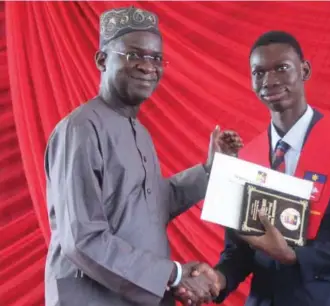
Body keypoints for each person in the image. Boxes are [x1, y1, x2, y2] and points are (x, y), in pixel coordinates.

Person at [179, 30, 330, 305]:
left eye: (281, 68)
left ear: (304, 70)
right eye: (259, 72)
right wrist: (217, 278)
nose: (270, 80)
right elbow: (240, 251)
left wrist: (296, 256)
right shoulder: (247, 157)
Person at [44, 6, 241, 306]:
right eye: (133, 54)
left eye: (156, 58)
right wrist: (172, 275)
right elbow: (82, 240)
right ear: (102, 60)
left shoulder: (140, 132)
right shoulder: (80, 129)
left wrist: (210, 169)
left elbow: (149, 206)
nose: (148, 66)